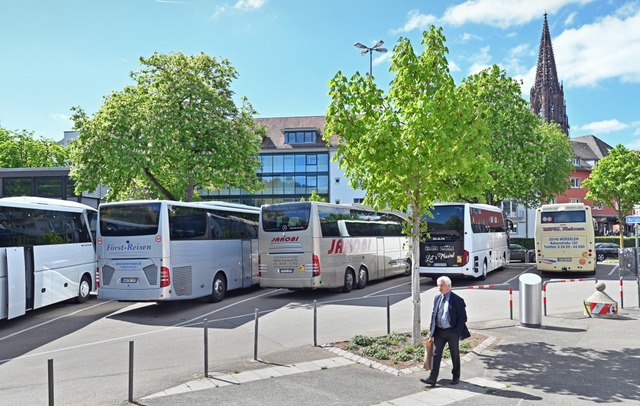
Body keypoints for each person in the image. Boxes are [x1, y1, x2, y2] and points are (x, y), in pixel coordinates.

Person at [421, 276, 470, 387]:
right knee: (436, 354)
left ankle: (456, 377)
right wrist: (431, 332)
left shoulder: (457, 300)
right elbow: (434, 315)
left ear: (449, 286)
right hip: (439, 332)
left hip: (452, 332)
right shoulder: (437, 298)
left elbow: (463, 318)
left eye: (441, 285)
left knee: (455, 355)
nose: (439, 287)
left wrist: (456, 332)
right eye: (438, 285)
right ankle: (432, 379)